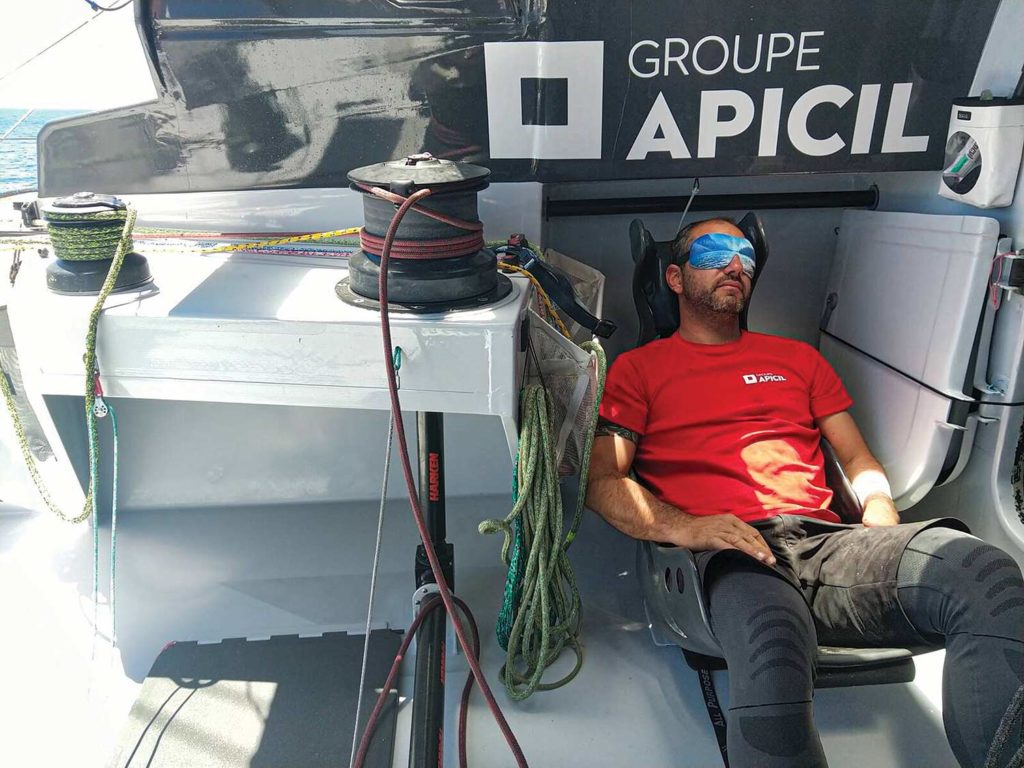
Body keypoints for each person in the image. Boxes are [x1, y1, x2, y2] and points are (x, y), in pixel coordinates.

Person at [585, 216, 1024, 767]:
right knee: (773, 642)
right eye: (714, 252)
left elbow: (858, 459)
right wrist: (689, 528)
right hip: (733, 553)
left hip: (827, 543)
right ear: (674, 278)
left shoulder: (797, 360)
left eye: (744, 255)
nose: (734, 264)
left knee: (985, 574)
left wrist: (880, 510)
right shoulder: (638, 370)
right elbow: (603, 482)